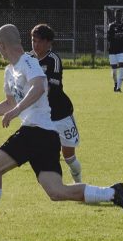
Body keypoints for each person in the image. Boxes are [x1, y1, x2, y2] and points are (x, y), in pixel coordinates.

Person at [0, 24, 123, 241]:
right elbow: (10, 102)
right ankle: (113, 193)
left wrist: (16, 111)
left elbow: (39, 87)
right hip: (46, 137)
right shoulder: (10, 71)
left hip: (36, 131)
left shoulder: (29, 62)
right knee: (56, 192)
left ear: (2, 46)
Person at [28, 23, 83, 183]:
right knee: (46, 153)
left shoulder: (53, 60)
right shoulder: (28, 59)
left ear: (48, 42)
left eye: (38, 41)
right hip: (41, 116)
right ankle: (56, 186)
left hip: (60, 114)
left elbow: (52, 87)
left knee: (69, 157)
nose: (35, 44)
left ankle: (78, 183)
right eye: (33, 40)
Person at [105, 12, 123, 92]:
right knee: (114, 72)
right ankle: (116, 83)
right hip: (112, 51)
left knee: (122, 66)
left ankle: (119, 87)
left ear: (121, 16)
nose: (118, 17)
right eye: (117, 15)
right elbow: (108, 38)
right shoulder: (111, 26)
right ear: (115, 16)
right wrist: (115, 36)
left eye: (120, 15)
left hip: (122, 50)